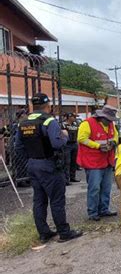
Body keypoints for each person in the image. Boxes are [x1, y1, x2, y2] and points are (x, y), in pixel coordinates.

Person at [15, 93, 82, 243]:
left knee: (39, 200)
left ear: (33, 106)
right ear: (48, 105)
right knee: (57, 200)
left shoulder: (23, 123)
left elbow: (18, 147)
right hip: (49, 165)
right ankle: (64, 232)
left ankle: (44, 233)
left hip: (33, 165)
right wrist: (64, 135)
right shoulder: (49, 121)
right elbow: (57, 144)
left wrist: (32, 158)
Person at [77, 105, 119, 221]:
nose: (110, 122)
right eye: (109, 119)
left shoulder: (110, 124)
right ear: (101, 117)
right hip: (93, 162)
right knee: (94, 188)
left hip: (107, 160)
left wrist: (114, 142)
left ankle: (104, 209)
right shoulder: (87, 124)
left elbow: (115, 135)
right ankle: (93, 212)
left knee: (106, 187)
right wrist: (98, 146)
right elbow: (81, 138)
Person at [62, 113, 80, 185]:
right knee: (67, 162)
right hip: (67, 145)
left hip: (75, 144)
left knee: (74, 161)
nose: (75, 118)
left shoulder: (75, 124)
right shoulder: (63, 125)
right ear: (69, 117)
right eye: (73, 117)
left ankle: (72, 177)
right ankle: (66, 179)